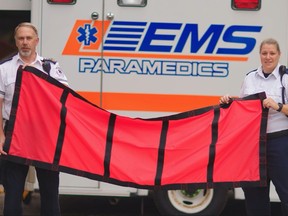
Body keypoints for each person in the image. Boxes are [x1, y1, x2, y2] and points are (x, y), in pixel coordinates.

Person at [0, 22, 68, 216]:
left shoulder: (51, 68)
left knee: (49, 193)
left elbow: (65, 99)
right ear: (15, 41)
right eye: (21, 38)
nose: (25, 42)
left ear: (36, 41)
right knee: (12, 194)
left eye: (29, 38)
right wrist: (1, 136)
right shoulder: (4, 69)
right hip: (14, 134)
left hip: (45, 135)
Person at [220, 38, 288, 216]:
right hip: (252, 145)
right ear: (260, 55)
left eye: (272, 53)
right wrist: (229, 100)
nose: (268, 57)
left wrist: (278, 106)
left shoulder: (286, 78)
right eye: (264, 53)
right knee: (254, 198)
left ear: (279, 55)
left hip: (280, 142)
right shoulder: (250, 78)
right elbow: (244, 106)